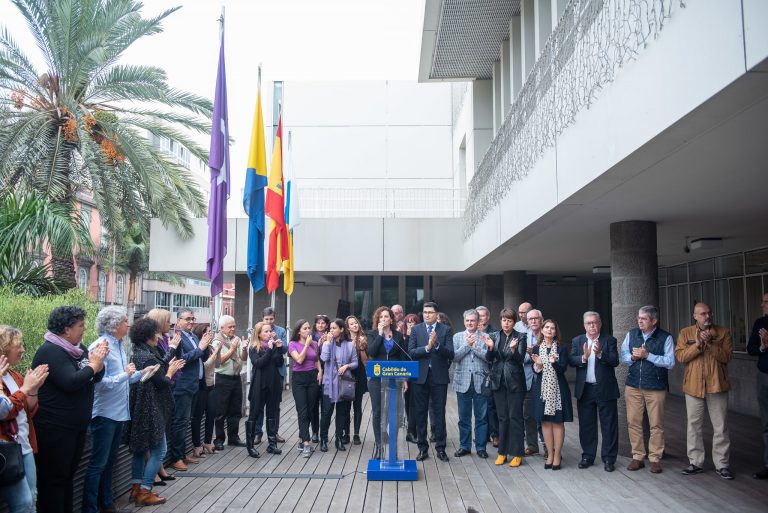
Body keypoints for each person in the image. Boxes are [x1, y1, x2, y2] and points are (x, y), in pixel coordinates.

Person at [32, 306, 107, 513]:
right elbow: (71, 381)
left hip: (75, 428)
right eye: (80, 326)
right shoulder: (51, 351)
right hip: (55, 429)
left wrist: (99, 362)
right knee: (54, 482)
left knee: (67, 478)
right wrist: (93, 365)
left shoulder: (77, 348)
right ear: (66, 329)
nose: (84, 330)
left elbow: (96, 376)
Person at [83, 306, 142, 513]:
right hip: (104, 413)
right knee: (98, 464)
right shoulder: (101, 346)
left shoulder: (119, 344)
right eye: (126, 321)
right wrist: (126, 375)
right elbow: (99, 382)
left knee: (109, 462)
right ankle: (90, 507)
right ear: (115, 325)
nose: (129, 324)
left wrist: (141, 374)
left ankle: (106, 502)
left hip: (118, 412)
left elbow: (124, 377)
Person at [125, 317, 185, 506]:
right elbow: (161, 381)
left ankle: (136, 488)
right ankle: (145, 489)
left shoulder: (139, 352)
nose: (160, 337)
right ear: (148, 335)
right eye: (157, 334)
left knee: (140, 450)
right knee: (160, 450)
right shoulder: (147, 356)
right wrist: (171, 372)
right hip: (151, 408)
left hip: (141, 407)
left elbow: (159, 363)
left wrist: (172, 351)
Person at [676, 303, 734, 479]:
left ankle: (722, 464)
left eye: (709, 312)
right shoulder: (685, 333)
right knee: (694, 425)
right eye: (703, 313)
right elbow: (680, 357)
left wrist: (710, 344)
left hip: (717, 386)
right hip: (693, 387)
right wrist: (698, 345)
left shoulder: (723, 333)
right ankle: (695, 462)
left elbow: (726, 357)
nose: (707, 316)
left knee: (721, 426)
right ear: (695, 316)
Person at [620, 305, 675, 474]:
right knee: (634, 422)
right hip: (633, 385)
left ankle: (655, 458)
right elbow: (623, 355)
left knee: (656, 425)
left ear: (654, 321)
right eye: (638, 318)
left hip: (656, 387)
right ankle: (637, 457)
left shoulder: (665, 337)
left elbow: (670, 362)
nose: (639, 321)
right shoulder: (632, 334)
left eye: (643, 319)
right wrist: (633, 357)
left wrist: (648, 356)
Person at [0, 326, 48, 513]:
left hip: (24, 447)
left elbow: (29, 411)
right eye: (18, 346)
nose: (22, 350)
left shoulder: (14, 375)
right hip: (6, 449)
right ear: (3, 348)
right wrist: (25, 390)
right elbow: (5, 412)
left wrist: (33, 388)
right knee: (23, 503)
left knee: (31, 499)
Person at [568, 311, 619, 472]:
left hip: (605, 388)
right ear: (584, 325)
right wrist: (584, 357)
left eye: (595, 322)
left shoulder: (609, 340)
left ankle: (609, 459)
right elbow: (571, 360)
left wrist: (600, 354)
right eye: (589, 323)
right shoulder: (578, 340)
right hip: (586, 389)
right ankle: (588, 456)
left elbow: (615, 361)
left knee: (609, 425)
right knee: (587, 425)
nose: (592, 325)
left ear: (600, 324)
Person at [409, 302, 454, 462]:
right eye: (425, 312)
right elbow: (412, 352)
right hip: (420, 378)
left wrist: (437, 345)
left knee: (439, 413)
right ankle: (422, 448)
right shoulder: (416, 329)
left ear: (437, 314)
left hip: (439, 377)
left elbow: (451, 354)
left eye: (430, 312)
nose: (427, 314)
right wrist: (427, 348)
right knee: (420, 413)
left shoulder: (445, 330)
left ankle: (441, 448)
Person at [169, 308, 212, 472]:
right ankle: (176, 457)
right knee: (180, 421)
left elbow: (200, 357)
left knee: (187, 421)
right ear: (178, 320)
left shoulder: (194, 336)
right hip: (182, 386)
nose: (191, 321)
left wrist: (206, 347)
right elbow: (180, 360)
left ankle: (183, 452)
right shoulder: (177, 338)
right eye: (187, 319)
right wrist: (200, 349)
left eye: (193, 318)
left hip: (195, 385)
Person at [366, 307, 408, 459]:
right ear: (377, 320)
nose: (384, 319)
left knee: (394, 412)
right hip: (376, 379)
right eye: (381, 317)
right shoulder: (371, 334)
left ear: (391, 319)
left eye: (386, 316)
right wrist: (379, 334)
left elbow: (403, 358)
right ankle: (379, 446)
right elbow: (371, 352)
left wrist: (404, 378)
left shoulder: (398, 336)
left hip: (394, 379)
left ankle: (393, 447)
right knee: (377, 411)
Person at [486, 308, 526, 467]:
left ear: (514, 322)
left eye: (509, 320)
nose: (506, 323)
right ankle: (502, 452)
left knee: (515, 417)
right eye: (504, 320)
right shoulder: (495, 336)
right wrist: (490, 348)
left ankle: (517, 453)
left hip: (515, 382)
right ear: (500, 321)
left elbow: (520, 359)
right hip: (498, 381)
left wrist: (514, 350)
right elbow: (490, 359)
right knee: (502, 418)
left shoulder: (521, 336)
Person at [144, 308, 180, 484]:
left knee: (163, 432)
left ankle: (160, 468)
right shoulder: (154, 343)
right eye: (168, 321)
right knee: (156, 438)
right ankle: (150, 477)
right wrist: (172, 348)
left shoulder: (165, 338)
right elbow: (162, 364)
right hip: (157, 390)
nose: (170, 324)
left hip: (169, 387)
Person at [531, 319, 572, 470]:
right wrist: (539, 365)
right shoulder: (536, 348)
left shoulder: (561, 348)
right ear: (541, 330)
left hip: (558, 390)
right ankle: (549, 454)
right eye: (546, 327)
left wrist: (554, 362)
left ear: (556, 332)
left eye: (552, 328)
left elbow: (562, 370)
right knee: (545, 422)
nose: (549, 330)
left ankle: (557, 455)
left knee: (557, 422)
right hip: (542, 390)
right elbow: (535, 370)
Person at [452, 309, 492, 459]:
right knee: (464, 417)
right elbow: (454, 358)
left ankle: (481, 447)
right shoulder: (457, 337)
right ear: (464, 321)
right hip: (462, 381)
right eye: (467, 320)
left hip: (481, 382)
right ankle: (465, 446)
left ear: (478, 321)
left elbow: (489, 358)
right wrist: (467, 346)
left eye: (473, 320)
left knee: (481, 417)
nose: (470, 323)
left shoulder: (486, 336)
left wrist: (474, 347)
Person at [246, 321, 285, 456]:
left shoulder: (272, 345)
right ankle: (250, 445)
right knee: (255, 413)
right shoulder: (254, 348)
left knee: (272, 412)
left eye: (270, 331)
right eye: (266, 332)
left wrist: (278, 349)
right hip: (259, 384)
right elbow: (259, 363)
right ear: (259, 334)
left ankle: (272, 444)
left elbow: (279, 363)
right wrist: (269, 350)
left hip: (273, 383)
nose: (269, 334)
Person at [319, 318, 358, 452]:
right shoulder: (327, 343)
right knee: (326, 413)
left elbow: (355, 363)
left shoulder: (349, 344)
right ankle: (323, 439)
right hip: (329, 383)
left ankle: (339, 439)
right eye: (330, 328)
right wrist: (327, 343)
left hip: (343, 383)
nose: (331, 330)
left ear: (341, 329)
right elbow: (324, 359)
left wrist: (346, 366)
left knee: (342, 413)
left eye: (334, 328)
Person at [212, 315, 246, 451]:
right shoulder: (216, 341)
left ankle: (233, 437)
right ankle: (219, 439)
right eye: (230, 327)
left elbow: (243, 359)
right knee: (220, 411)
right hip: (222, 378)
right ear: (221, 328)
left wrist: (243, 348)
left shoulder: (236, 339)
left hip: (236, 378)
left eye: (234, 326)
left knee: (235, 410)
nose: (233, 329)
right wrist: (232, 349)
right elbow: (218, 361)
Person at [288, 319, 321, 458]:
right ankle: (306, 443)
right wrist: (306, 345)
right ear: (299, 331)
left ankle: (302, 438)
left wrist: (320, 371)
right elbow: (299, 360)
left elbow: (316, 358)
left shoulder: (314, 344)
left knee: (310, 409)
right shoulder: (293, 344)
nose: (308, 330)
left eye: (309, 328)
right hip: (299, 379)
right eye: (305, 328)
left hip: (312, 377)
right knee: (302, 411)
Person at [190, 323, 222, 458]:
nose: (209, 334)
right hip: (201, 386)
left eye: (210, 332)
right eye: (206, 333)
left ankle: (208, 442)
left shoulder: (211, 347)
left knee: (211, 414)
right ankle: (197, 445)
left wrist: (217, 351)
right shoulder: (199, 348)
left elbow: (218, 363)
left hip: (211, 385)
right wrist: (215, 353)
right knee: (197, 417)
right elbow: (204, 366)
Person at [256, 307, 287, 444]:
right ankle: (258, 433)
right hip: (262, 374)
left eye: (271, 318)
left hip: (277, 373)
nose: (269, 321)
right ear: (262, 319)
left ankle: (274, 432)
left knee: (275, 405)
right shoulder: (258, 330)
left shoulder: (280, 331)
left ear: (275, 318)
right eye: (266, 319)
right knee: (259, 405)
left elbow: (285, 348)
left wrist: (277, 340)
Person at [748, 292, 768, 480]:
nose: (763, 305)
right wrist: (763, 347)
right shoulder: (760, 323)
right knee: (766, 423)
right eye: (762, 301)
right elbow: (751, 348)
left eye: (766, 302)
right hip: (764, 377)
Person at [476, 305, 499, 448]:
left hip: (490, 374)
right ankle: (483, 435)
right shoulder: (472, 333)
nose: (479, 318)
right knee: (479, 406)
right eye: (477, 316)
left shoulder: (495, 333)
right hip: (476, 374)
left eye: (482, 316)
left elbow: (494, 355)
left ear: (488, 317)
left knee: (491, 405)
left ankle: (495, 434)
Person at [345, 315, 368, 445]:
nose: (354, 325)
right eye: (351, 324)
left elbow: (365, 362)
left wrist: (361, 348)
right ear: (347, 327)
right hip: (348, 374)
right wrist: (351, 347)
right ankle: (346, 433)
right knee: (346, 406)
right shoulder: (344, 340)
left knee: (357, 405)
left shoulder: (363, 339)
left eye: (356, 323)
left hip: (359, 373)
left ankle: (356, 434)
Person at [522, 309, 542, 456]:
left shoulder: (548, 333)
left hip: (544, 380)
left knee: (545, 415)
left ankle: (549, 447)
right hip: (528, 380)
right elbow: (520, 360)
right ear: (527, 322)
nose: (533, 321)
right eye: (531, 319)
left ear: (541, 320)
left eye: (536, 318)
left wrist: (535, 354)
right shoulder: (524, 337)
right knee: (528, 415)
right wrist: (529, 355)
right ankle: (532, 445)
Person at [309, 315, 330, 443]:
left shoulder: (331, 336)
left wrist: (327, 343)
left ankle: (324, 433)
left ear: (327, 325)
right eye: (318, 323)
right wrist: (319, 345)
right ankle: (315, 431)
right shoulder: (310, 337)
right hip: (314, 373)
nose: (321, 325)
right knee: (313, 405)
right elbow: (311, 356)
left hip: (328, 373)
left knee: (326, 406)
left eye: (323, 323)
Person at [402, 313, 420, 444]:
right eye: (408, 322)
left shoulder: (420, 337)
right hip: (406, 375)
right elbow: (405, 355)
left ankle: (414, 430)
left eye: (413, 322)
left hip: (419, 374)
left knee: (416, 404)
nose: (411, 324)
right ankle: (411, 430)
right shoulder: (401, 337)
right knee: (408, 404)